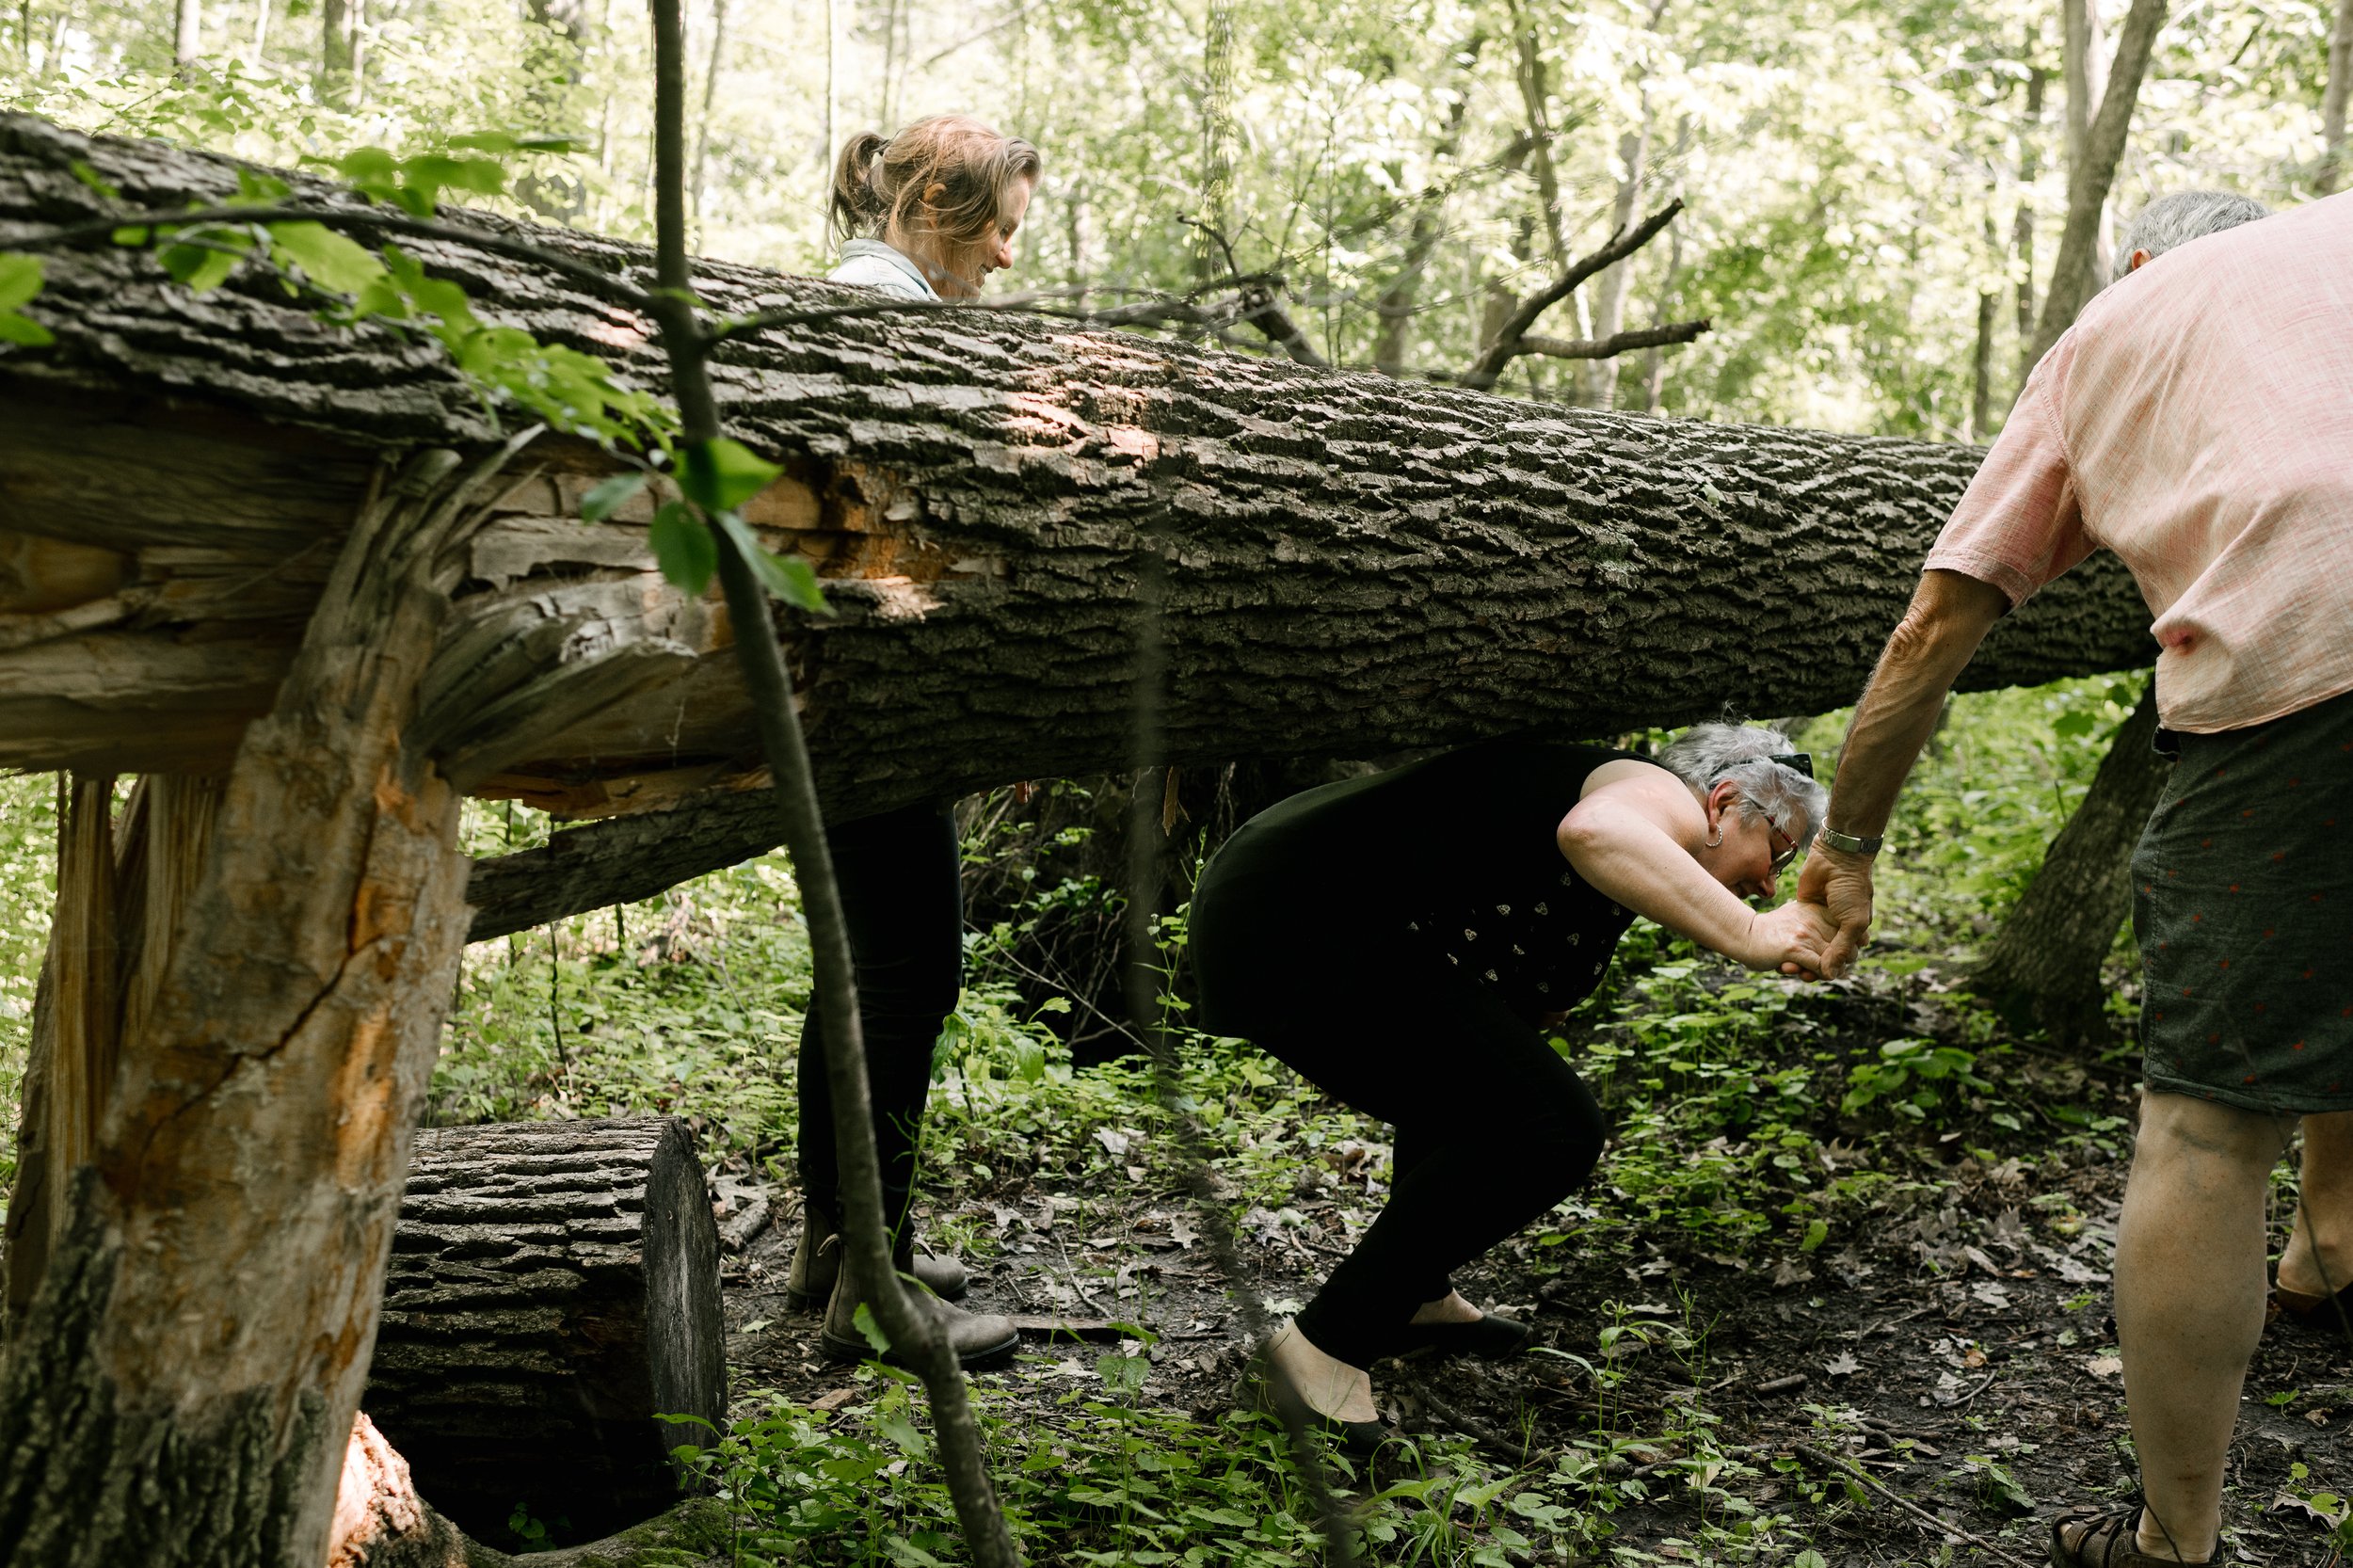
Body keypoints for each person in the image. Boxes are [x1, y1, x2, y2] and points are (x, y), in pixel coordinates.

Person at [1793, 188, 2353, 1567]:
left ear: (2144, 264)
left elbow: (1933, 629)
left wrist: (1847, 847)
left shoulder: (2116, 326)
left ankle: (2174, 1539)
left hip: (2306, 667)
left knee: (2211, 1131)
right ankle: (2330, 1248)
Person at [1189, 726, 1832, 1448]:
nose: (1771, 883)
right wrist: (1751, 931)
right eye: (1778, 855)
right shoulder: (1659, 798)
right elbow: (1594, 830)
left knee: (1484, 1093)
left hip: (1309, 907)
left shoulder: (1652, 831)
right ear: (1720, 803)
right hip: (1296, 916)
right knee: (1553, 1129)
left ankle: (1414, 1298)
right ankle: (1321, 1350)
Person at [787, 115, 1041, 1370]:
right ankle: (870, 1290)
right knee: (907, 976)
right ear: (930, 204)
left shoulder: (882, 309)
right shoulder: (878, 319)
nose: (1004, 253)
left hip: (859, 697)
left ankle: (839, 1242)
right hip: (872, 701)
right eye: (993, 225)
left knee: (864, 973)